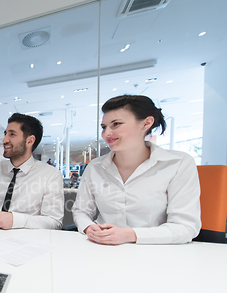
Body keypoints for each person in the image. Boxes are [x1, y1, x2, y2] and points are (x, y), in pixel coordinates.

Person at [72, 95, 200, 245]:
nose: (107, 133)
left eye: (116, 124)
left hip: (157, 251)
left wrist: (128, 235)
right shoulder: (95, 167)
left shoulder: (177, 164)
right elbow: (81, 211)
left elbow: (185, 227)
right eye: (104, 127)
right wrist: (89, 227)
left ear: (146, 123)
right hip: (102, 248)